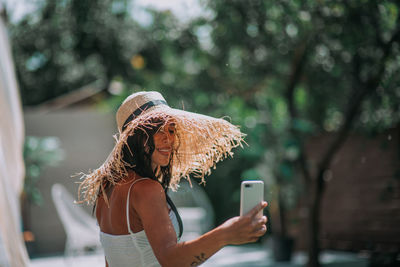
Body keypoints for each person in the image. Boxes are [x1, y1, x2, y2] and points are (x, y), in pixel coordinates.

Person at [78, 91, 268, 267]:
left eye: (171, 130)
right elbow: (171, 259)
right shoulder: (146, 189)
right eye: (158, 129)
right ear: (136, 137)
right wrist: (225, 235)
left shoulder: (106, 188)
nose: (168, 138)